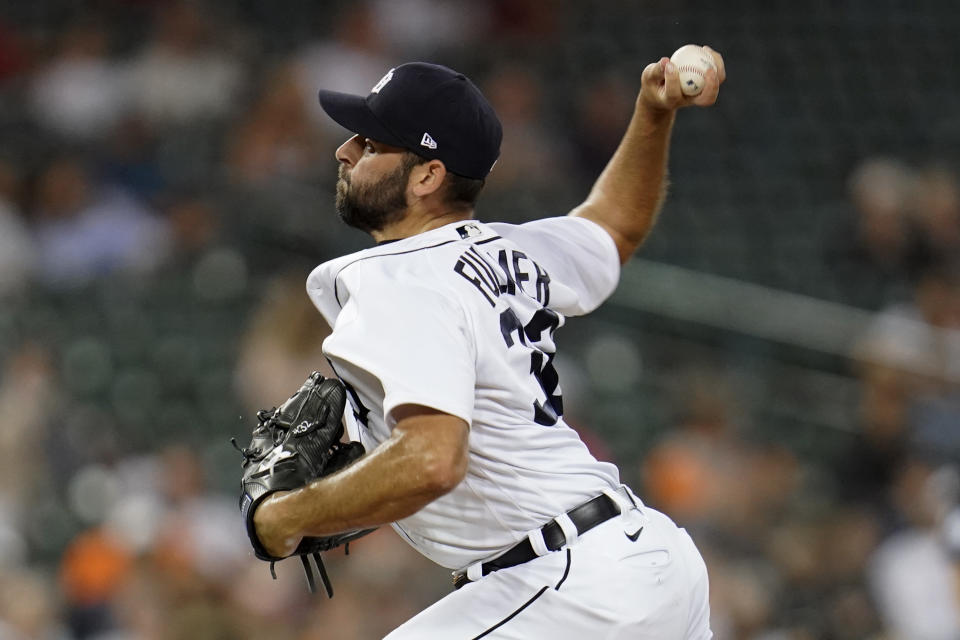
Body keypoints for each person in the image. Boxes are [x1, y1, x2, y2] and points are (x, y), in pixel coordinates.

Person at [252, 50, 725, 638]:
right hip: (649, 563)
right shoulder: (514, 251)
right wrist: (653, 115)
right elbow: (614, 226)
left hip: (571, 587)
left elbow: (432, 460)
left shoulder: (400, 278)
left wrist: (286, 517)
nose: (344, 151)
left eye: (371, 144)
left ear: (428, 175)